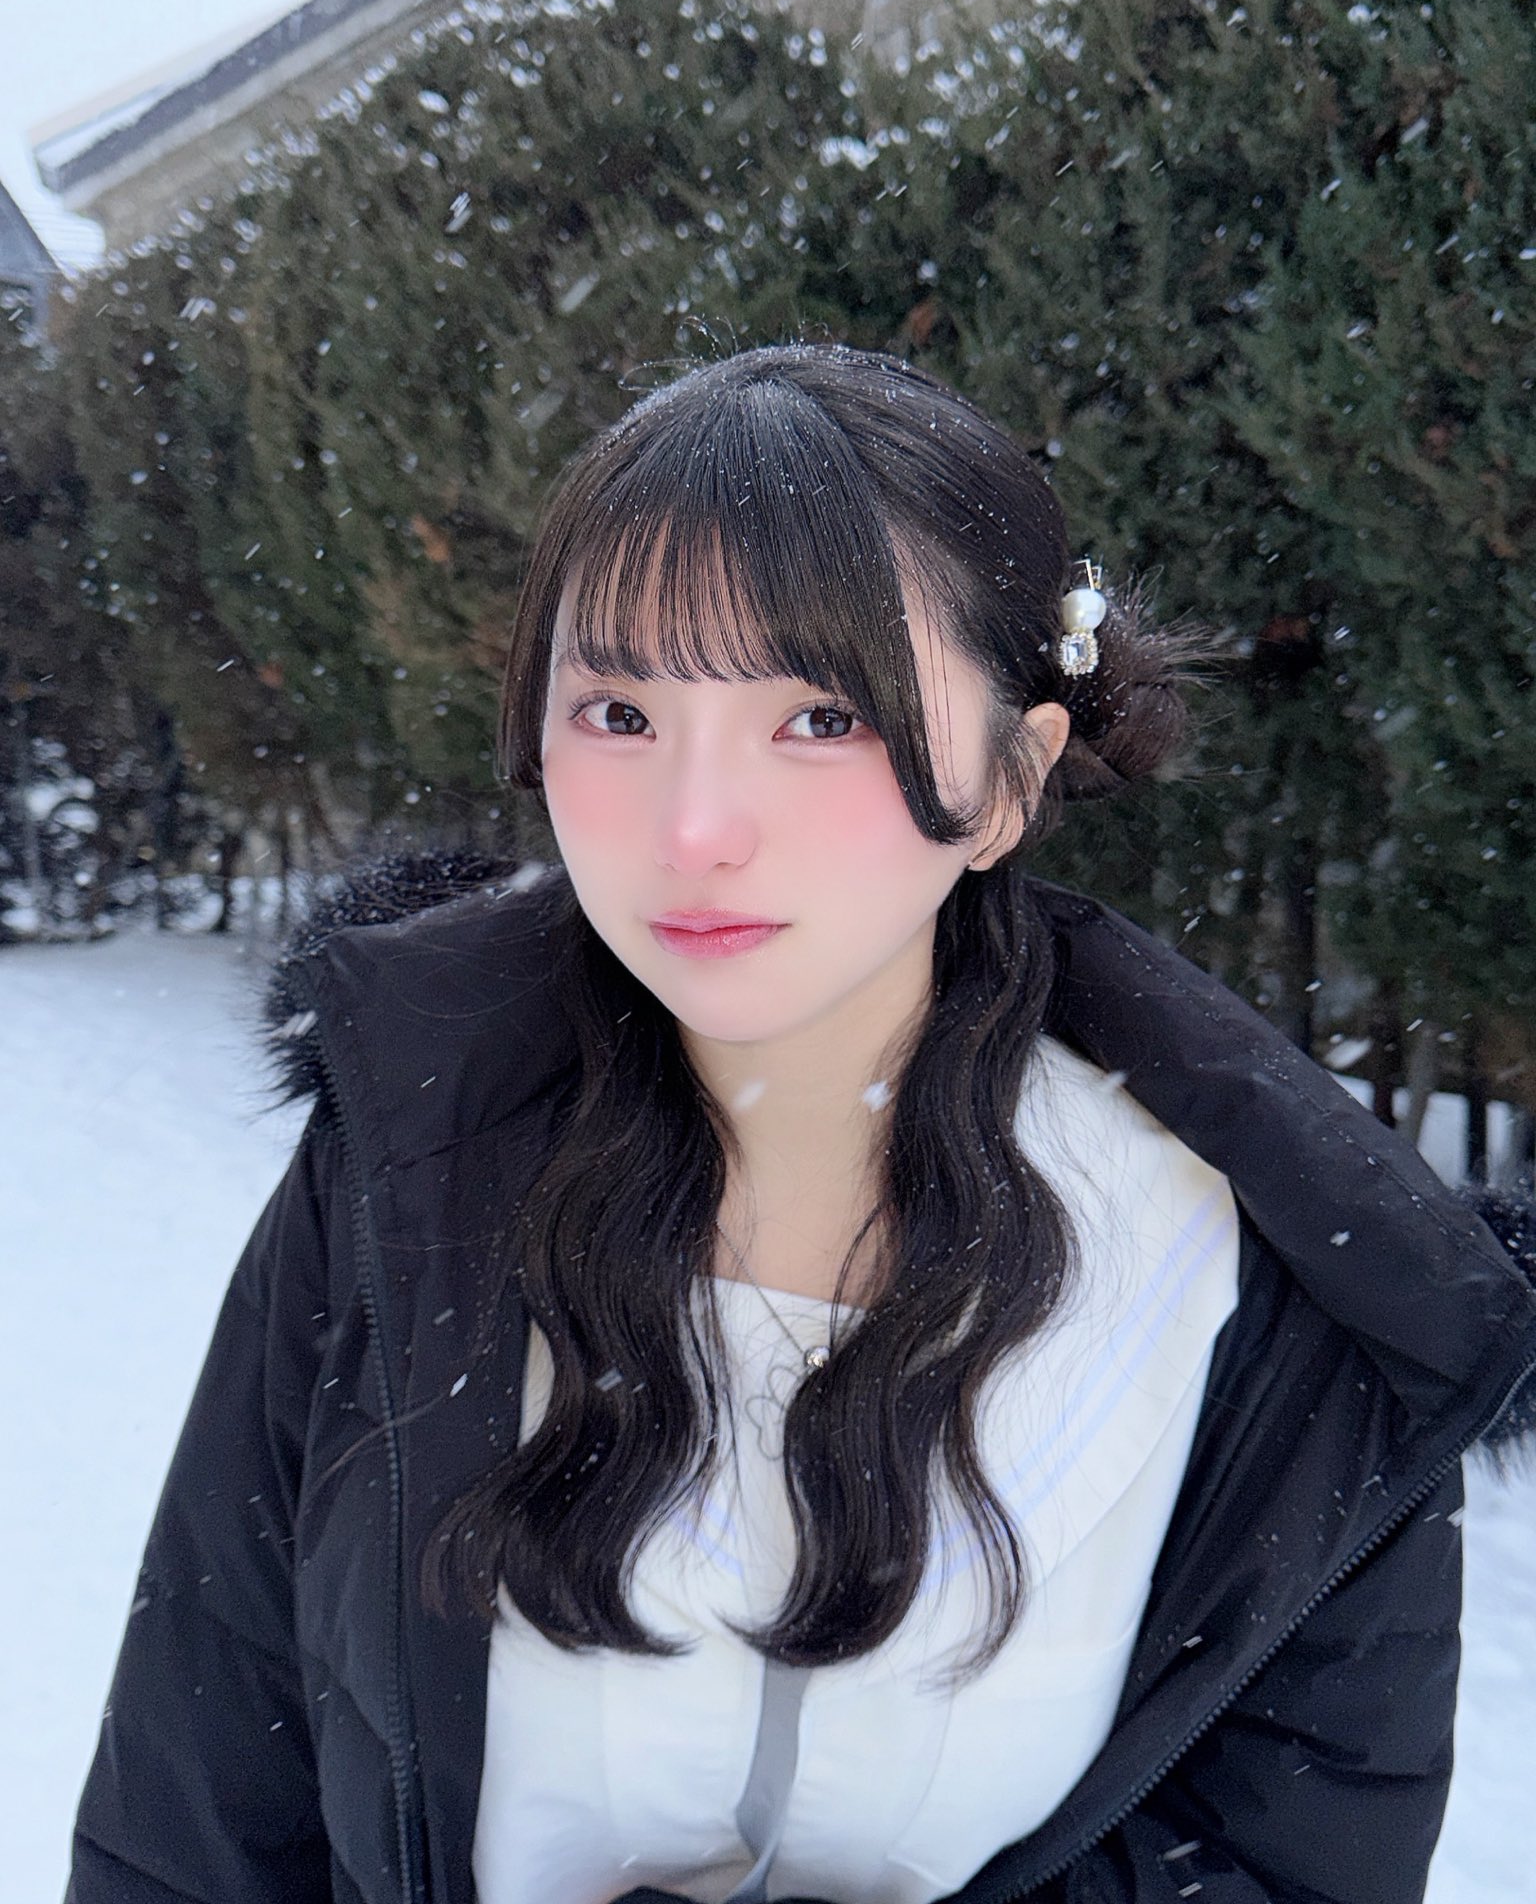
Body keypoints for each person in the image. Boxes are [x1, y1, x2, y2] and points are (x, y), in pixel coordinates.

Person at [67, 342, 1536, 1904]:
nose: (695, 827)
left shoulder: (1281, 1304)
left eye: (824, 716)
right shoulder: (404, 1169)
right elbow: (202, 1813)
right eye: (618, 710)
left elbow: (1283, 1865)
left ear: (1011, 777)